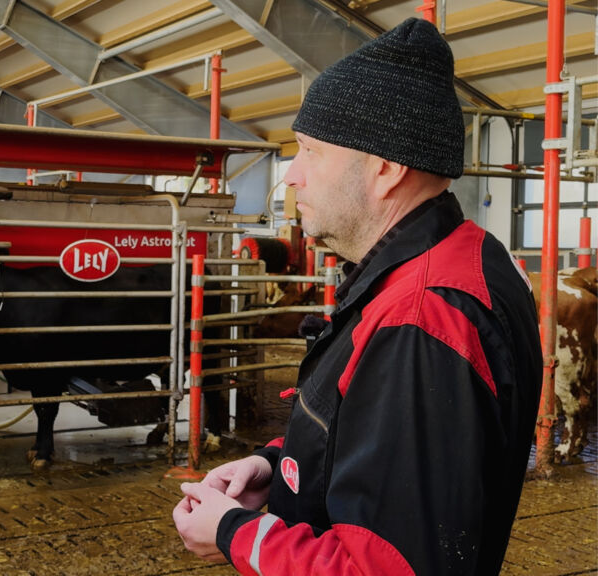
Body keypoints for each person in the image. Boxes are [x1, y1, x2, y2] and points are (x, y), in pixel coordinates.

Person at [173, 17, 541, 576]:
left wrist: (233, 532)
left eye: (309, 150)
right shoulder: (463, 257)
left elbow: (385, 568)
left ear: (385, 169)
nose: (292, 175)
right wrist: (277, 465)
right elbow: (379, 444)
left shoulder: (421, 319)